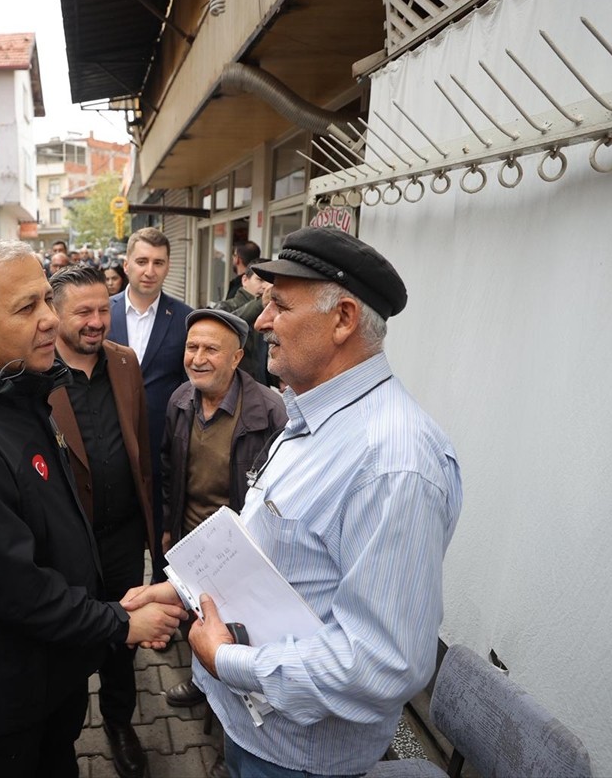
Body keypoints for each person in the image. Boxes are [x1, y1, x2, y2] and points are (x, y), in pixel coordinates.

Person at [123, 227, 463, 777]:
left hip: (300, 759)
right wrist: (180, 588)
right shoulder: (309, 415)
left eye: (279, 305)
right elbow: (274, 550)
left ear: (344, 319)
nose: (261, 322)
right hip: (257, 732)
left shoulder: (393, 462)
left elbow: (382, 663)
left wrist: (226, 659)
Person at [0, 240, 185, 778]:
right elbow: (14, 589)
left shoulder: (19, 392)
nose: (48, 321)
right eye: (25, 308)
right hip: (11, 690)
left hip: (51, 669)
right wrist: (117, 622)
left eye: (45, 301)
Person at [47, 266, 153, 778]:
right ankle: (62, 731)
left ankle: (118, 721)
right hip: (70, 542)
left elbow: (141, 443)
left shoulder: (125, 361)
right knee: (70, 635)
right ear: (56, 314)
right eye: (83, 312)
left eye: (102, 309)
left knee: (124, 634)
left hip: (125, 537)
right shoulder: (36, 373)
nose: (96, 322)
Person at [159, 308, 287, 712]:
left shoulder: (268, 411)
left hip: (241, 548)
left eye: (211, 349)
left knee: (238, 636)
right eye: (191, 347)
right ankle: (202, 682)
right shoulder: (181, 400)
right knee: (197, 623)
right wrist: (167, 527)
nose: (197, 358)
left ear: (236, 357)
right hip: (190, 540)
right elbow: (167, 470)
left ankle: (233, 725)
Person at [108, 227, 192, 573]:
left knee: (162, 536)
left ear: (168, 266)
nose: (149, 270)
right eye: (142, 261)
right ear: (126, 264)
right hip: (110, 443)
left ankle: (163, 609)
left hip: (161, 448)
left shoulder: (185, 317)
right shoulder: (103, 314)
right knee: (116, 533)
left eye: (158, 262)